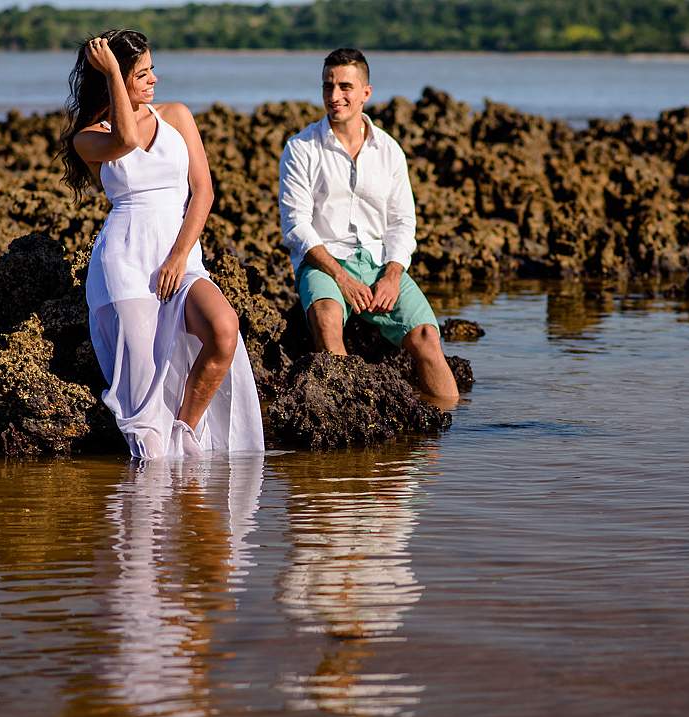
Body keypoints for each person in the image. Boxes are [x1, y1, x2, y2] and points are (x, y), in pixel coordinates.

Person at [58, 29, 263, 458]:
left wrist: (178, 256)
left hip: (180, 260)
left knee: (224, 330)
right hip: (125, 265)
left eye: (153, 70)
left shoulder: (177, 115)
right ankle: (150, 497)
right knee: (142, 389)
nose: (153, 81)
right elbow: (126, 141)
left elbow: (202, 193)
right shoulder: (89, 137)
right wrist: (114, 69)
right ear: (112, 77)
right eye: (141, 74)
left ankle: (184, 434)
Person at [278, 48, 459, 402]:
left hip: (379, 261)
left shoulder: (389, 150)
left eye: (345, 86)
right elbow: (296, 227)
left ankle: (452, 432)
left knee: (426, 336)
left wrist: (393, 274)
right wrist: (342, 279)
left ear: (366, 92)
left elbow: (403, 223)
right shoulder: (301, 148)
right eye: (328, 86)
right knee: (328, 319)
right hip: (324, 263)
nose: (334, 96)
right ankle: (352, 413)